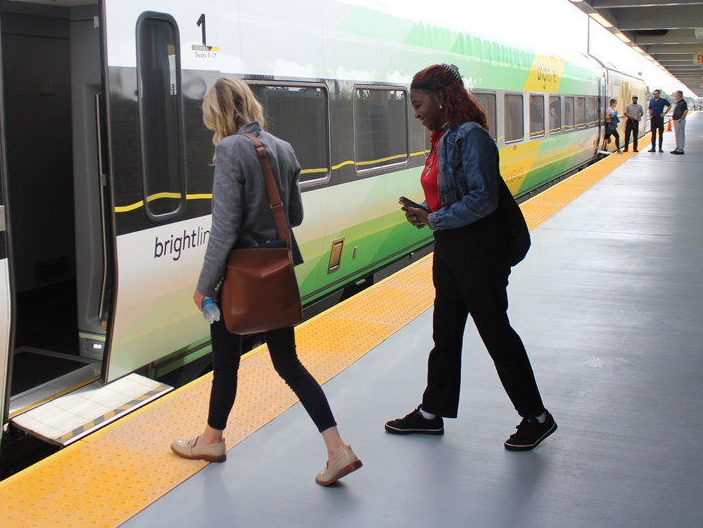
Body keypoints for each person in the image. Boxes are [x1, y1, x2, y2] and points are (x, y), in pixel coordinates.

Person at [170, 77, 361, 486]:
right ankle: (337, 448)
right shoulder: (283, 148)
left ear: (218, 114)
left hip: (237, 278)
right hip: (275, 273)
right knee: (289, 364)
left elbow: (223, 229)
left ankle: (211, 440)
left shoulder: (228, 150)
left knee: (225, 364)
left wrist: (204, 286)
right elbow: (293, 216)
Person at [384, 64, 555, 452]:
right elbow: (448, 194)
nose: (416, 113)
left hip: (478, 250)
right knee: (444, 334)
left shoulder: (470, 137)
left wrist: (436, 218)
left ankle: (537, 417)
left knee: (496, 334)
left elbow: (483, 198)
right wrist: (428, 215)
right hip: (450, 248)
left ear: (441, 98)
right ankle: (432, 413)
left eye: (419, 104)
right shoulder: (442, 137)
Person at [670, 90, 688, 154]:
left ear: (679, 95)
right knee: (677, 134)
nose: (675, 96)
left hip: (679, 120)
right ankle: (678, 147)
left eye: (676, 95)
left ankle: (680, 149)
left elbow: (686, 110)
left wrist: (682, 118)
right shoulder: (679, 103)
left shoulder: (683, 103)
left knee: (680, 134)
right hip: (676, 120)